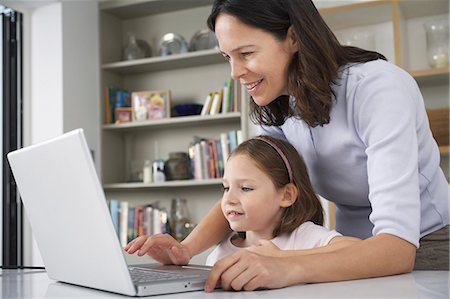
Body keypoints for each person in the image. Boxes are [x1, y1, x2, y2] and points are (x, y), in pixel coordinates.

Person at [125, 0, 449, 292]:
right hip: (352, 247)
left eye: (246, 53)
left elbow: (397, 249)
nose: (235, 72)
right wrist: (186, 248)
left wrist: (286, 266)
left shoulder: (377, 90)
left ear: (293, 38)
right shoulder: (278, 104)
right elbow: (250, 188)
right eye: (227, 57)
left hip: (427, 242)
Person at [205, 135, 359, 265]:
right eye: (226, 188)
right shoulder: (219, 255)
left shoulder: (304, 238)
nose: (229, 199)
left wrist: (281, 258)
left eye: (245, 188)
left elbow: (357, 250)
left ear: (286, 196)